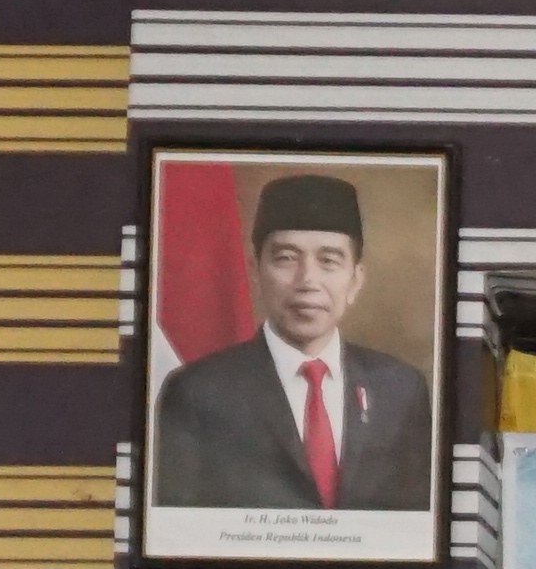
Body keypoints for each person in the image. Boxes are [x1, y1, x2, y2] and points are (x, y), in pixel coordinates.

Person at [150, 168, 436, 514]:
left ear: (356, 280)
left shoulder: (401, 391)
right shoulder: (197, 394)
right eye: (286, 258)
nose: (307, 281)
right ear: (255, 272)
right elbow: (177, 535)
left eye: (329, 261)